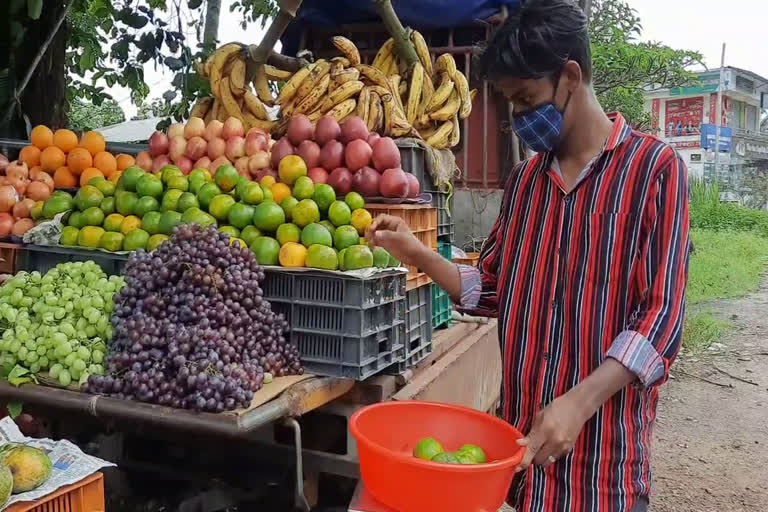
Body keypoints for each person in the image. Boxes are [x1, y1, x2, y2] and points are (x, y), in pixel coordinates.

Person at [365, 1, 690, 511]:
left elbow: (662, 316)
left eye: (526, 99)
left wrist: (579, 403)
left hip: (602, 473)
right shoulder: (524, 183)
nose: (519, 117)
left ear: (570, 76)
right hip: (524, 469)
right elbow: (492, 287)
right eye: (510, 104)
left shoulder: (654, 170)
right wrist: (416, 252)